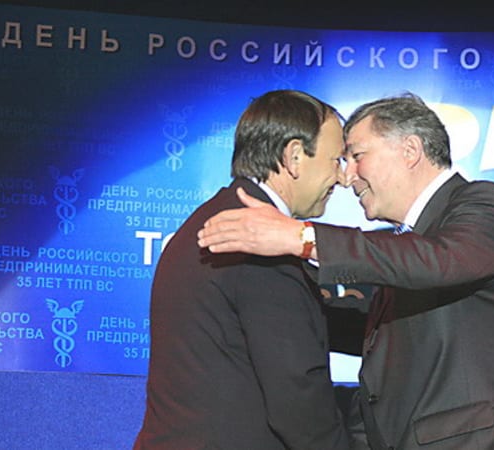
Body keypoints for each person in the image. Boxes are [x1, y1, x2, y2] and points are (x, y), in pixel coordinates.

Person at [196, 92, 494, 449]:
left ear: (410, 150)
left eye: (357, 156)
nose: (347, 177)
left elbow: (435, 261)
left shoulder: (485, 204)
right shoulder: (404, 249)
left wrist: (302, 237)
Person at [133, 89, 352, 449]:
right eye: (335, 160)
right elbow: (296, 395)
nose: (342, 178)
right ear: (295, 157)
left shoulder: (213, 218)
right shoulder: (257, 241)